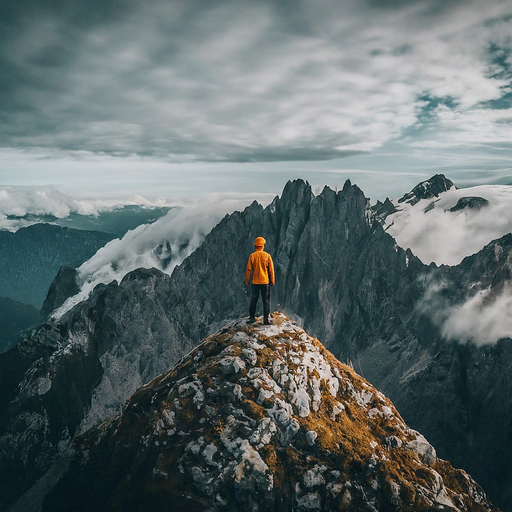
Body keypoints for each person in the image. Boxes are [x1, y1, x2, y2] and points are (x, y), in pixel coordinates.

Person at [245, 236, 275, 325]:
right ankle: (265, 320)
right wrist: (272, 280)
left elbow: (248, 270)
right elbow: (271, 270)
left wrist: (247, 281)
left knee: (254, 300)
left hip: (255, 282)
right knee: (265, 301)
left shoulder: (252, 256)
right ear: (262, 246)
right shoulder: (267, 255)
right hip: (265, 282)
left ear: (256, 246)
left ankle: (252, 318)